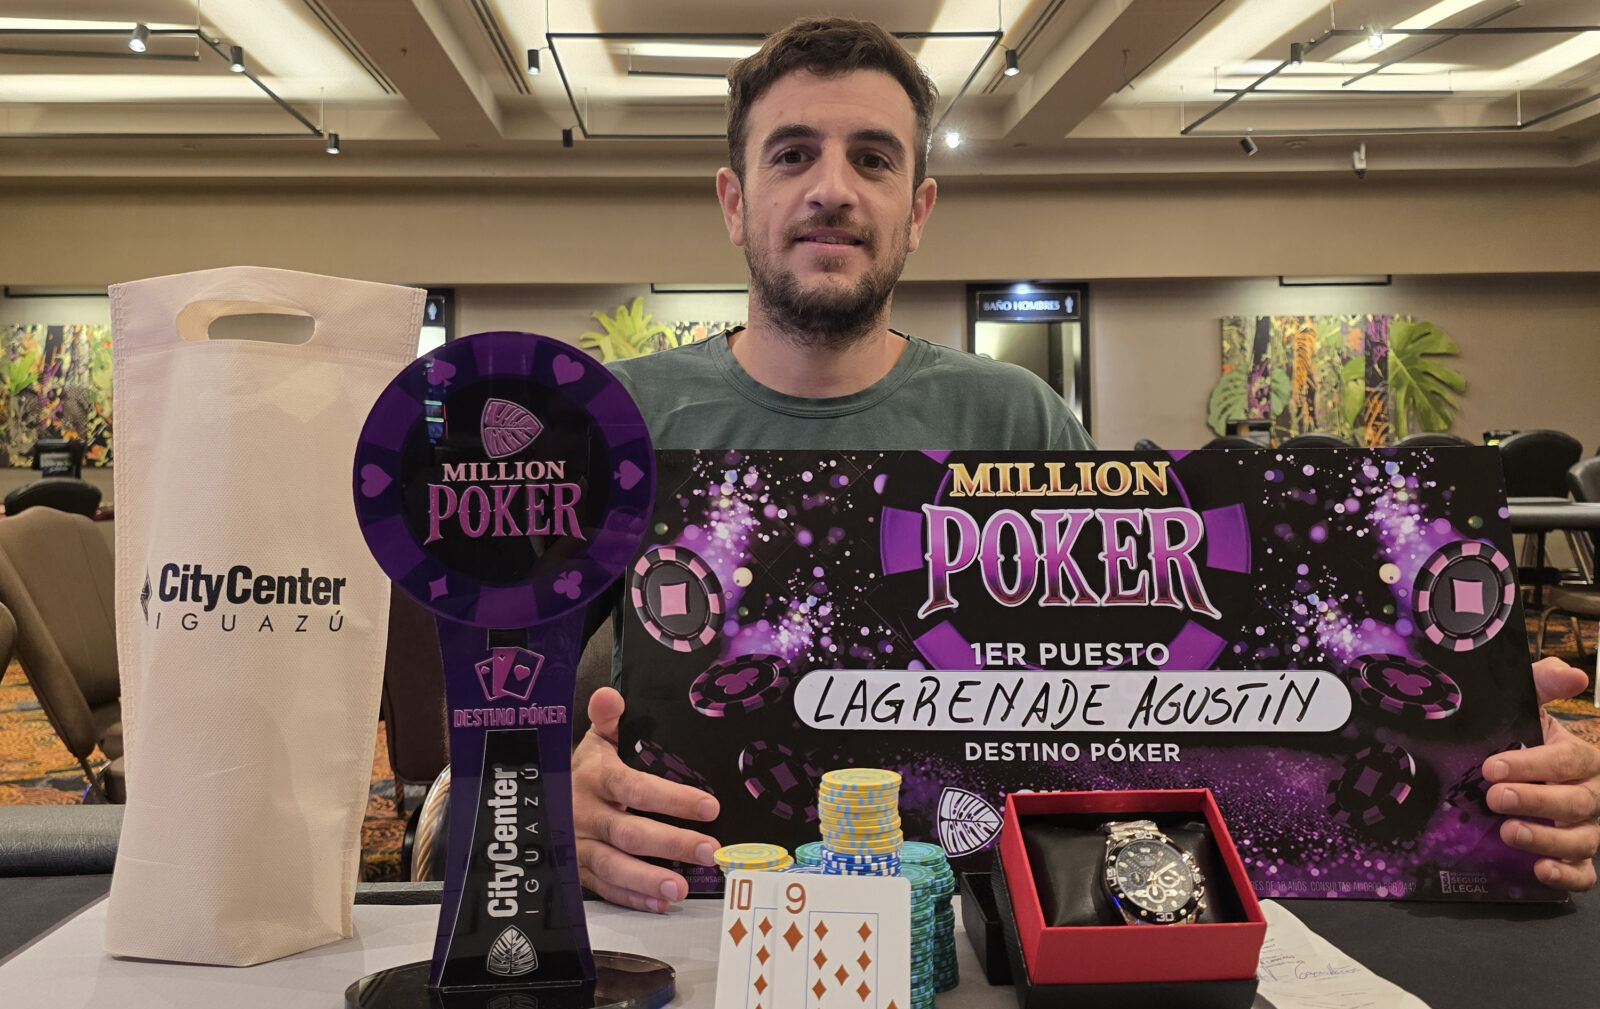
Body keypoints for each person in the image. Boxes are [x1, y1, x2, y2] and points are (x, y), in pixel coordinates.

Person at [569, 16, 1600, 913]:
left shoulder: (1013, 413)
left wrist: (1489, 745)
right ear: (733, 199)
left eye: (873, 159)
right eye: (792, 154)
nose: (832, 188)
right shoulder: (614, 419)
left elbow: (1136, 700)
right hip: (681, 910)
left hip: (986, 921)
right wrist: (554, 796)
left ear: (917, 210)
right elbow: (505, 699)